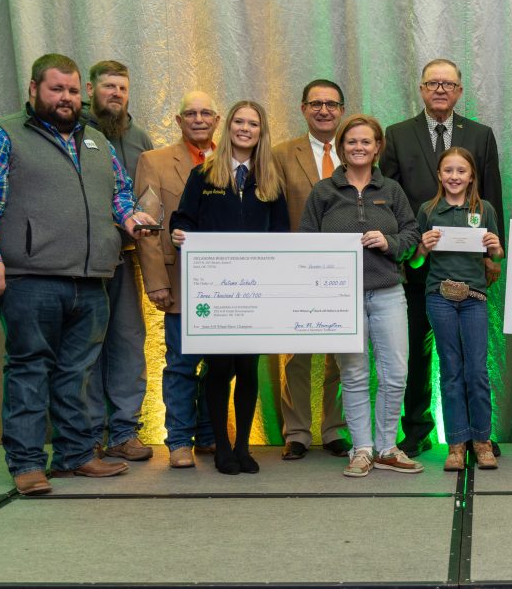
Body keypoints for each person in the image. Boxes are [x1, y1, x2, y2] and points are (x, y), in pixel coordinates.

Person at [0, 53, 155, 495]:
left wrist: (132, 218)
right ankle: (27, 463)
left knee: (78, 372)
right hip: (31, 279)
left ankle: (76, 455)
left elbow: (120, 192)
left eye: (70, 90)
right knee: (29, 369)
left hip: (91, 279)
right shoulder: (2, 134)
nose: (65, 98)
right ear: (33, 90)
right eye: (55, 89)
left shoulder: (97, 140)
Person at [380, 59, 504, 458]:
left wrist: (494, 254)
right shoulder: (398, 135)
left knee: (472, 360)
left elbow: (492, 201)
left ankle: (478, 433)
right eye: (432, 83)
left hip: (469, 271)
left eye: (447, 84)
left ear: (459, 91)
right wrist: (407, 251)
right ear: (421, 88)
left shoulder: (481, 135)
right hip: (419, 265)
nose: (440, 89)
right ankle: (418, 428)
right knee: (417, 349)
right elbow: (389, 199)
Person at [170, 101, 289, 475]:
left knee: (249, 368)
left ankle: (243, 448)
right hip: (217, 292)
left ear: (261, 131)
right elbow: (183, 219)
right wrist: (179, 234)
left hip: (256, 292)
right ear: (229, 127)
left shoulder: (270, 179)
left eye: (253, 124)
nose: (245, 128)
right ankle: (221, 446)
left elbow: (281, 233)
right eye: (239, 121)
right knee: (220, 368)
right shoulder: (203, 174)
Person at [301, 114, 421, 477]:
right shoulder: (324, 191)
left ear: (377, 147)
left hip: (387, 292)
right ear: (341, 147)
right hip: (342, 298)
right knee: (353, 374)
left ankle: (387, 447)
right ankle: (362, 449)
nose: (359, 147)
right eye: (351, 141)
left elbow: (413, 234)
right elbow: (306, 240)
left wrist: (390, 243)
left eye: (366, 142)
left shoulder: (392, 191)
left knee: (395, 373)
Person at [135, 92, 219, 468]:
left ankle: (208, 433)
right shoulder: (153, 161)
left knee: (219, 367)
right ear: (178, 119)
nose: (198, 119)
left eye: (205, 113)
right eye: (191, 113)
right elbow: (148, 226)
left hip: (226, 287)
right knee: (182, 364)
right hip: (179, 281)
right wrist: (155, 281)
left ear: (217, 120)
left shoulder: (234, 161)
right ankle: (179, 440)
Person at [273, 79, 350, 460]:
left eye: (331, 105)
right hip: (295, 269)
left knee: (342, 353)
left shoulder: (357, 151)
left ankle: (335, 429)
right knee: (295, 356)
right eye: (316, 104)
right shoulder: (281, 154)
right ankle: (298, 432)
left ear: (341, 111)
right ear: (303, 109)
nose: (324, 110)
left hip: (345, 270)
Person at [413, 147, 503, 471]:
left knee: (477, 371)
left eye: (461, 171)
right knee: (450, 371)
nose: (454, 176)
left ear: (471, 176)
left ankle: (482, 441)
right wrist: (423, 246)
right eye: (448, 170)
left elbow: (496, 260)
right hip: (439, 297)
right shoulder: (428, 210)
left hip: (474, 298)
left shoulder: (483, 209)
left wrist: (496, 250)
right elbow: (416, 260)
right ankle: (456, 445)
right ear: (439, 174)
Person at [81, 60, 155, 462]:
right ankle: (90, 433)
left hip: (127, 259)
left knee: (128, 342)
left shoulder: (141, 138)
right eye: (108, 86)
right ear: (91, 90)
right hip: (84, 261)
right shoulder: (71, 133)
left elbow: (149, 194)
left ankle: (126, 431)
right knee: (86, 346)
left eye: (123, 88)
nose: (116, 94)